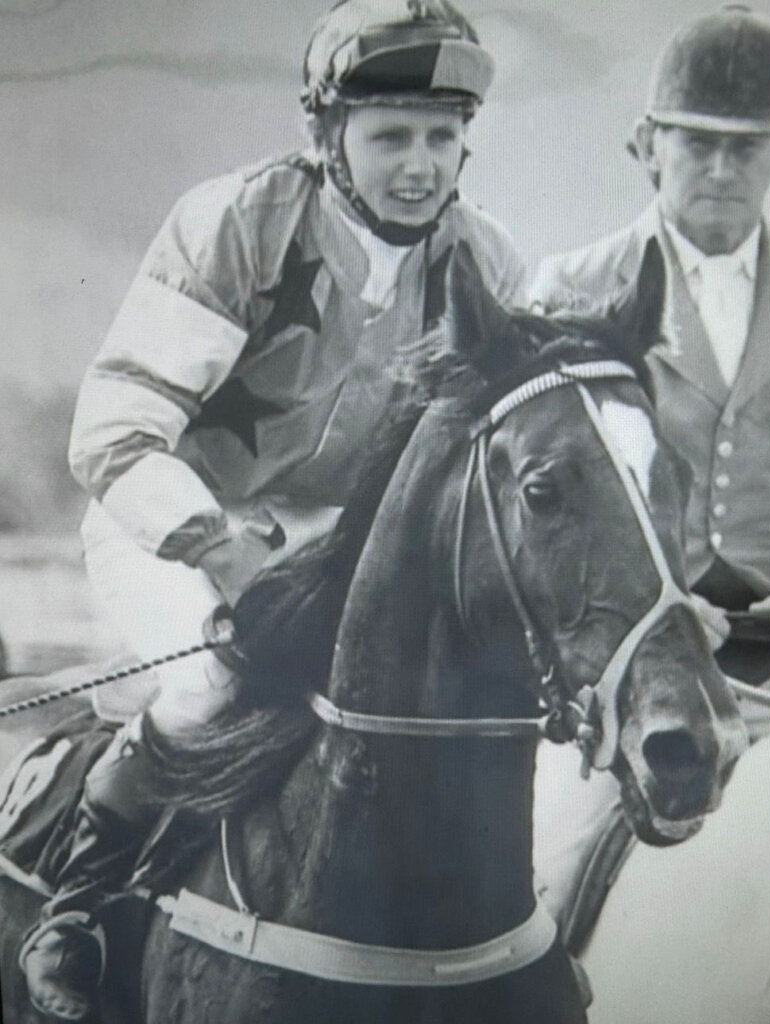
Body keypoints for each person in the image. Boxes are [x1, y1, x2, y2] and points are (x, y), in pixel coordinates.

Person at [20, 1, 523, 1018]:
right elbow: (113, 432)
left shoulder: (485, 262)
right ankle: (77, 908)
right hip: (167, 521)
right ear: (325, 133)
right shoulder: (240, 221)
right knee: (213, 680)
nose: (419, 166)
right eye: (390, 136)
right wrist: (217, 546)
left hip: (332, 551)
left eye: (441, 137)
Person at [530, 4, 770, 952]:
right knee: (556, 865)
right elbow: (554, 510)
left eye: (746, 148)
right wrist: (661, 603)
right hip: (630, 653)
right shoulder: (571, 287)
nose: (721, 169)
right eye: (697, 144)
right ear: (647, 146)